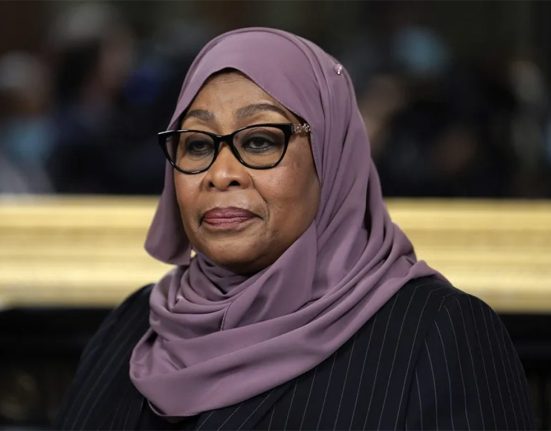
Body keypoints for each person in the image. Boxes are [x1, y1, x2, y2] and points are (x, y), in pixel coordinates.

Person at [56, 28, 534, 430]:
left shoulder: (438, 333)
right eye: (198, 145)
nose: (221, 174)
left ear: (330, 157)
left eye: (260, 141)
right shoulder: (134, 325)